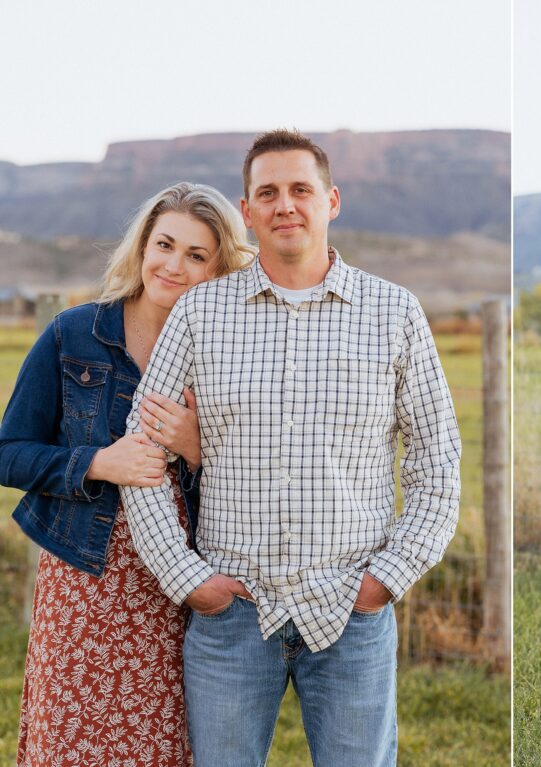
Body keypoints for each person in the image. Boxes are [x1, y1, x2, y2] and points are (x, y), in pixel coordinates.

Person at [120, 129, 461, 767]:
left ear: (331, 200)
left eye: (300, 189)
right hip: (231, 617)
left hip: (351, 613)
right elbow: (143, 458)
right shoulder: (199, 314)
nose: (285, 205)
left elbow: (437, 464)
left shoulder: (394, 314)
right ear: (246, 213)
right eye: (267, 193)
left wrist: (384, 581)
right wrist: (190, 581)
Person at [0, 182, 255, 766]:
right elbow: (9, 450)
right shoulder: (73, 334)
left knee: (162, 745)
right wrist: (96, 462)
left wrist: (197, 448)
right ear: (141, 246)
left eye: (197, 255)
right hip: (84, 579)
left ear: (220, 268)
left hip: (178, 582)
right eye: (164, 244)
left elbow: (257, 473)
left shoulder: (224, 355)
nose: (174, 265)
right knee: (71, 741)